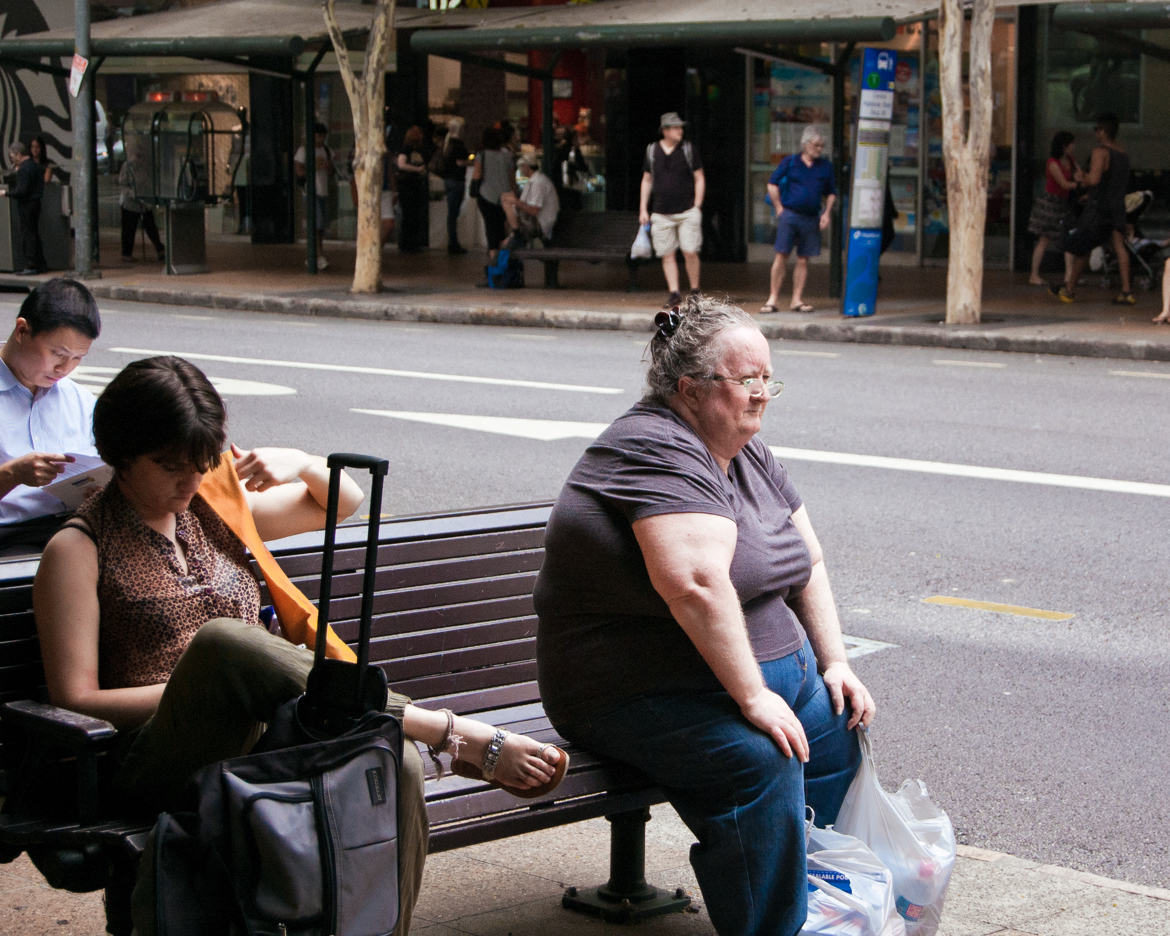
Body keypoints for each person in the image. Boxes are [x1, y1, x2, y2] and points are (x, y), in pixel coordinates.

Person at [33, 355, 565, 936]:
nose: (190, 482)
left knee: (394, 761)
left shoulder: (209, 512)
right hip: (156, 758)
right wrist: (197, 688)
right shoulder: (79, 548)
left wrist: (300, 462)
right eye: (169, 467)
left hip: (261, 735)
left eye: (201, 464)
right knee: (222, 645)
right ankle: (450, 734)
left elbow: (338, 501)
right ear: (121, 456)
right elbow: (75, 697)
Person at [534, 295, 874, 936]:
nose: (762, 395)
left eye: (767, 379)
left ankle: (826, 903)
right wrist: (751, 695)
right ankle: (771, 925)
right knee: (761, 760)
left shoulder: (748, 454)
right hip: (637, 691)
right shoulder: (652, 449)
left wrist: (834, 662)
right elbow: (693, 583)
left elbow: (809, 559)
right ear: (689, 389)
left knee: (836, 723)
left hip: (743, 682)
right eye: (745, 381)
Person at [0, 279, 101, 543]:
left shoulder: (78, 400)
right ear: (22, 331)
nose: (65, 368)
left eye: (78, 358)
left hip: (73, 532)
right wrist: (11, 475)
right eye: (58, 353)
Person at [1050, 112, 1133, 304]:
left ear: (1103, 132)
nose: (1096, 133)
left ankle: (1069, 290)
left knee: (1083, 246)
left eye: (1097, 129)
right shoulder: (1123, 154)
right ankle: (1127, 291)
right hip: (1117, 206)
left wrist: (1082, 179)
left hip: (1099, 210)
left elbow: (1094, 180)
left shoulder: (1100, 152)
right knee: (1120, 247)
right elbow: (1114, 183)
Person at [761, 125, 837, 315]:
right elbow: (772, 183)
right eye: (816, 145)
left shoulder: (825, 167)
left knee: (804, 259)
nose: (819, 149)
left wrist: (826, 213)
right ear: (805, 144)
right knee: (781, 255)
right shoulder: (791, 162)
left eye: (821, 145)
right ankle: (772, 298)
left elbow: (831, 193)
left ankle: (797, 299)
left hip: (811, 217)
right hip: (790, 214)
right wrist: (779, 208)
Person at [640, 111, 705, 309]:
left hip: (686, 210)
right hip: (661, 211)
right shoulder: (652, 151)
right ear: (665, 131)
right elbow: (647, 179)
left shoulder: (688, 149)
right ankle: (674, 293)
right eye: (676, 128)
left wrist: (697, 204)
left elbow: (699, 177)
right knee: (667, 254)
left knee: (690, 250)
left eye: (680, 127)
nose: (680, 131)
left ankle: (694, 291)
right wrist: (643, 208)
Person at [1027, 131, 1082, 285]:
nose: (1074, 146)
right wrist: (1078, 184)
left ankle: (1069, 274)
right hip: (1050, 203)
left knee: (1068, 238)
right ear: (1064, 146)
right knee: (1044, 239)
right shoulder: (1052, 163)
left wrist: (1080, 178)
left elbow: (1079, 174)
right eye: (1071, 143)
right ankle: (1034, 274)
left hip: (1063, 203)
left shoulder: (1071, 160)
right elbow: (1063, 183)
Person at [472, 124, 516, 264]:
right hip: (505, 197)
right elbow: (512, 179)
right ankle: (503, 261)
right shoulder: (508, 156)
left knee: (491, 228)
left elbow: (477, 175)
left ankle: (494, 263)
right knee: (502, 229)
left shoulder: (481, 155)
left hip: (487, 196)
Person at [118, 138, 166, 264]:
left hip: (144, 202)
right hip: (130, 203)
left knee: (150, 226)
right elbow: (123, 184)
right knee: (129, 228)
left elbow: (149, 181)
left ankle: (159, 249)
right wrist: (133, 194)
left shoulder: (146, 165)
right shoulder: (128, 166)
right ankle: (126, 253)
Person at [294, 121, 333, 270]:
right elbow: (299, 171)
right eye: (318, 136)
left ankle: (317, 254)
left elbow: (331, 171)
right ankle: (317, 254)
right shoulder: (304, 151)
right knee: (317, 222)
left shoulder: (326, 151)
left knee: (321, 225)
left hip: (323, 190)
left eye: (323, 137)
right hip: (311, 191)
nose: (321, 140)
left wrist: (328, 167)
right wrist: (314, 167)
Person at [6, 141, 47, 276]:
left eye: (13, 157)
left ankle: (31, 264)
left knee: (28, 234)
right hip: (35, 202)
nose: (13, 160)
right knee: (34, 232)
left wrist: (6, 193)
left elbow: (21, 191)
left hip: (27, 204)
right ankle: (40, 263)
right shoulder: (34, 166)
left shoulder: (24, 169)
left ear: (18, 154)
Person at [501, 153, 559, 245]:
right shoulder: (532, 182)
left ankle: (516, 235)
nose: (521, 170)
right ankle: (514, 235)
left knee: (508, 245)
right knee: (507, 203)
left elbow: (534, 210)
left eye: (521, 167)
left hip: (540, 224)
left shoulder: (538, 183)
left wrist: (515, 201)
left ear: (526, 167)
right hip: (532, 221)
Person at [437, 117, 471, 255]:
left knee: (452, 213)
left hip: (449, 180)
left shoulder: (447, 144)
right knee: (453, 213)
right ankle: (453, 243)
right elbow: (461, 162)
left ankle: (453, 241)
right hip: (456, 180)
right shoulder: (458, 145)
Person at [395, 125, 429, 254]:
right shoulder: (406, 149)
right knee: (409, 215)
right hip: (408, 186)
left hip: (414, 185)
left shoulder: (417, 150)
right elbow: (401, 164)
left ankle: (412, 242)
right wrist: (417, 170)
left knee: (413, 215)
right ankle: (407, 243)